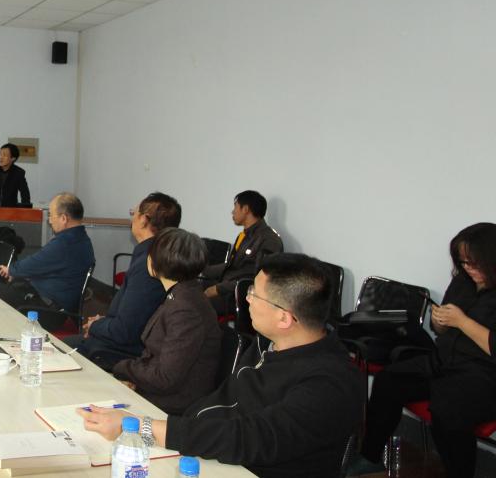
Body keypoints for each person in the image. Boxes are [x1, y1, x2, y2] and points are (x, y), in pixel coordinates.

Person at [79, 253, 363, 478]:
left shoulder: (330, 383)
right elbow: (223, 406)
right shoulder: (269, 343)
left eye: (254, 293)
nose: (247, 299)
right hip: (207, 455)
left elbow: (249, 438)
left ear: (284, 318)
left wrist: (142, 429)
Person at [348, 222, 496, 478]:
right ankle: (370, 457)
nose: (468, 268)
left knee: (447, 410)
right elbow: (440, 330)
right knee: (388, 380)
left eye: (473, 262)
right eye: (463, 262)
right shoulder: (463, 282)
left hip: (484, 374)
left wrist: (462, 321)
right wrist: (439, 322)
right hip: (444, 360)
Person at [64, 192, 182, 369]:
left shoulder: (149, 264)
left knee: (59, 348)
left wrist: (96, 326)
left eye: (133, 213)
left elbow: (124, 331)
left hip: (125, 352)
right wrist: (104, 322)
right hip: (127, 339)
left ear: (143, 220)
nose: (131, 219)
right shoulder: (159, 255)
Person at [111, 227, 220, 414]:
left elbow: (165, 378)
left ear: (158, 261)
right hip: (158, 389)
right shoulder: (183, 294)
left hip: (173, 403)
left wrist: (123, 368)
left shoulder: (186, 308)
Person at [0, 193, 94, 330]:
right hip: (50, 303)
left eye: (51, 215)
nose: (49, 221)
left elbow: (35, 262)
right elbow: (43, 265)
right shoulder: (82, 239)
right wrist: (15, 272)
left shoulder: (65, 243)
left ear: (64, 218)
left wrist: (11, 270)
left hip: (47, 312)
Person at [204, 190, 283, 314]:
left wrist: (219, 289)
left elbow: (257, 278)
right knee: (190, 289)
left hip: (240, 297)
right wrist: (201, 269)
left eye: (235, 207)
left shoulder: (269, 240)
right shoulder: (245, 236)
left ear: (245, 209)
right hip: (227, 288)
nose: (232, 212)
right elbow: (232, 267)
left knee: (195, 304)